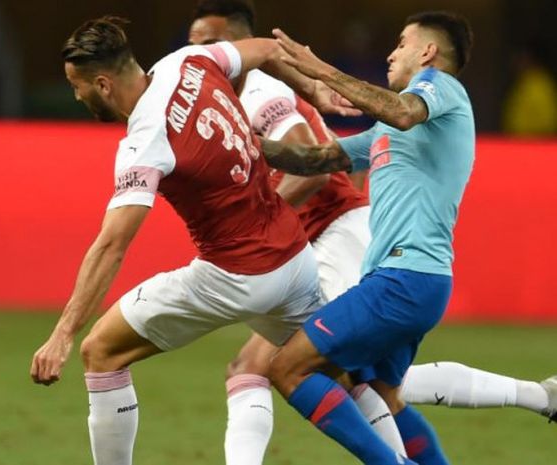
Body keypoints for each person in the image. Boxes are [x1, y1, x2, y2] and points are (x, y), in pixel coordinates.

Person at [188, 3, 557, 464]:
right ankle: (537, 399)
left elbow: (403, 112)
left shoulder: (440, 90)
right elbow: (317, 160)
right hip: (411, 279)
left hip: (402, 279)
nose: (390, 54)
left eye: (401, 44)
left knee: (288, 368)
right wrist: (244, 142)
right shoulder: (389, 128)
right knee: (384, 392)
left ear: (427, 52)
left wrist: (319, 69)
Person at [28, 15, 363, 465]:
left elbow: (112, 245)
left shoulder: (145, 140)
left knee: (101, 351)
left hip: (237, 275)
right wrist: (313, 86)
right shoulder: (188, 61)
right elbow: (267, 48)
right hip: (294, 255)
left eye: (78, 85)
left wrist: (63, 333)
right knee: (342, 376)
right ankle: (397, 457)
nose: (77, 94)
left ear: (104, 85)